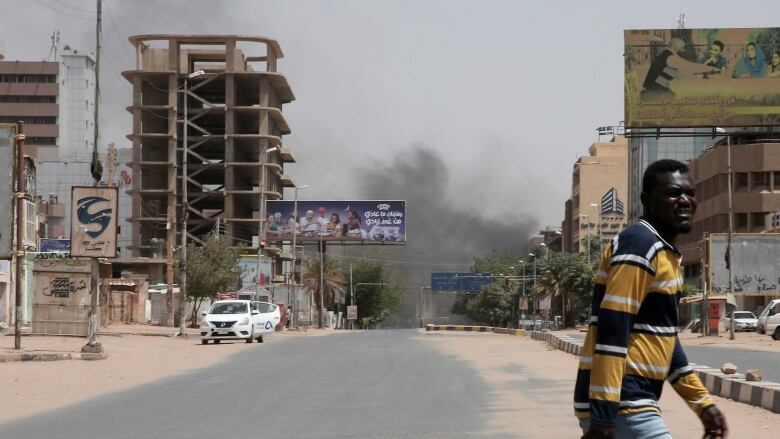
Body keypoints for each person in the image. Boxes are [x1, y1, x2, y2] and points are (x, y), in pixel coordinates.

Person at [575, 160, 728, 439]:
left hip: (632, 400)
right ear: (647, 200)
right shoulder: (640, 244)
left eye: (690, 193)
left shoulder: (665, 252)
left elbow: (666, 339)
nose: (685, 201)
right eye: (672, 193)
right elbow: (613, 328)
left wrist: (703, 403)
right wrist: (604, 417)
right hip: (624, 402)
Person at [641, 38, 712, 99]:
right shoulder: (671, 57)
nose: (684, 50)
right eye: (682, 48)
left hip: (651, 90)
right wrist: (710, 68)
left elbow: (677, 73)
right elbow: (691, 66)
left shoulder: (664, 54)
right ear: (675, 47)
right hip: (654, 94)